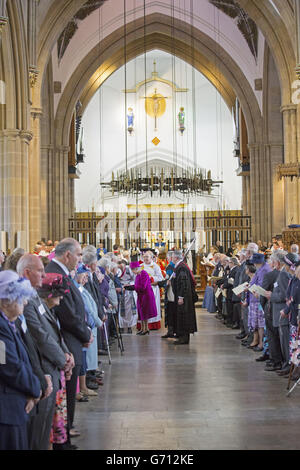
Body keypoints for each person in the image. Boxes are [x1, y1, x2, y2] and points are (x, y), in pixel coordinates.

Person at [17, 254, 71, 450]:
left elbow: (53, 329)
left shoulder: (35, 296)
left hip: (52, 368)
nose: (44, 274)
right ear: (26, 273)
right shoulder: (26, 300)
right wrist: (61, 359)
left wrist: (66, 353)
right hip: (43, 369)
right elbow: (39, 336)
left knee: (44, 432)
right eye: (40, 270)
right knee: (37, 436)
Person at [45, 238, 92, 445]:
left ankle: (67, 428)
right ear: (68, 255)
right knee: (68, 390)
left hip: (72, 337)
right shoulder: (55, 272)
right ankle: (64, 432)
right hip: (68, 337)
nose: (80, 259)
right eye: (78, 254)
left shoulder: (61, 271)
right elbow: (66, 313)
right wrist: (85, 334)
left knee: (70, 392)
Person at [0, 270, 41, 450]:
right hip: (6, 411)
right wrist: (35, 388)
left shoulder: (9, 324)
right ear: (5, 301)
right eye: (20, 298)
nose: (24, 302)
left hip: (14, 406)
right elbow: (9, 367)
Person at [36, 273, 74, 450]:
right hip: (48, 366)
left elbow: (56, 335)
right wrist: (62, 359)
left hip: (56, 365)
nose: (61, 297)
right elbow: (43, 338)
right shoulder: (37, 307)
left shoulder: (47, 309)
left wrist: (67, 354)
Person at [245, 253, 271, 351]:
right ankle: (256, 341)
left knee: (260, 323)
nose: (254, 265)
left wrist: (253, 289)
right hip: (254, 298)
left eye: (254, 263)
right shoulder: (260, 269)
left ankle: (261, 343)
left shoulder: (265, 270)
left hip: (259, 300)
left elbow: (262, 285)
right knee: (254, 323)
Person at [171, 250, 198, 345]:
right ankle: (181, 335)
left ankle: (184, 338)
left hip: (184, 297)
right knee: (181, 316)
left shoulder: (181, 267)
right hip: (182, 296)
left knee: (184, 316)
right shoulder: (180, 266)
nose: (171, 259)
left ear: (176, 258)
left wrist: (181, 296)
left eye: (173, 257)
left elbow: (183, 283)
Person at [126, 261, 157, 335]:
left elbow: (143, 286)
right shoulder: (138, 275)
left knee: (145, 312)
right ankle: (143, 328)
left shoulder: (144, 274)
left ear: (136, 269)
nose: (132, 272)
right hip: (141, 295)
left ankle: (146, 329)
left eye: (133, 270)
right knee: (141, 312)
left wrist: (132, 287)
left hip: (146, 296)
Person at [140, 251, 164, 330]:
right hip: (143, 290)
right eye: (144, 257)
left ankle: (153, 324)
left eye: (147, 257)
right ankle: (143, 326)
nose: (146, 258)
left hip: (153, 289)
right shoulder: (141, 266)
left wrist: (152, 279)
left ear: (151, 257)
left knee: (152, 306)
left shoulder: (155, 266)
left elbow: (160, 277)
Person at [117, 260, 137, 333]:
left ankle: (129, 326)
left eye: (122, 265)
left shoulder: (129, 270)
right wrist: (120, 286)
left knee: (129, 310)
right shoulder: (117, 270)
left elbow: (134, 279)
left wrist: (129, 285)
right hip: (120, 290)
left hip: (129, 291)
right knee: (120, 310)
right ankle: (121, 326)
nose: (121, 266)